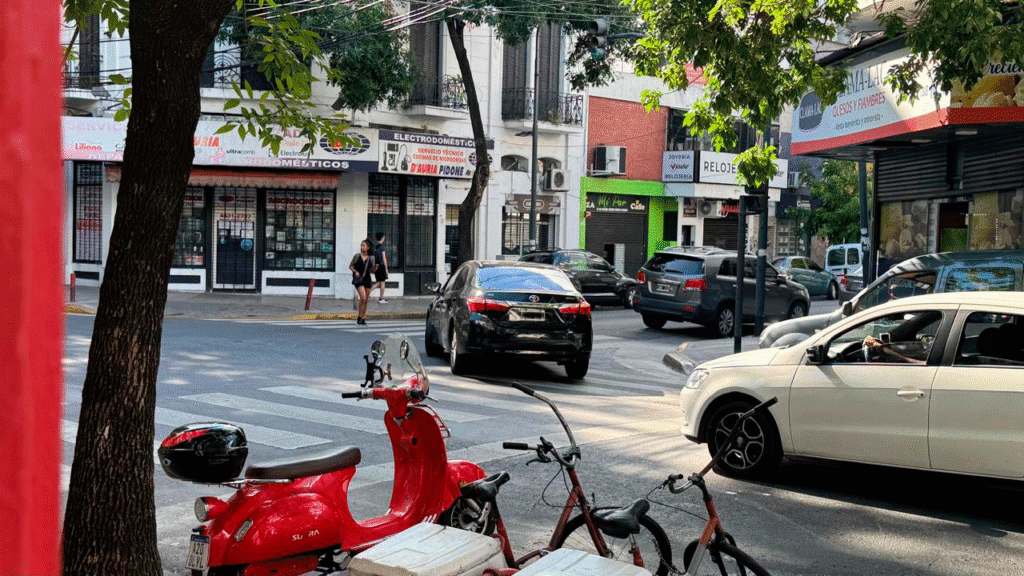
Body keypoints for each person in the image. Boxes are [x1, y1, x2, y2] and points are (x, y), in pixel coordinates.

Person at [349, 239, 375, 325]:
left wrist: (375, 268)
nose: (362, 247)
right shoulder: (357, 256)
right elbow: (350, 266)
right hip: (359, 279)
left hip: (367, 278)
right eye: (361, 245)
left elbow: (372, 269)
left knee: (366, 300)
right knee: (363, 297)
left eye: (363, 245)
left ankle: (363, 318)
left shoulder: (371, 258)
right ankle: (359, 316)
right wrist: (355, 271)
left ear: (368, 248)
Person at [372, 232, 389, 304]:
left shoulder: (375, 247)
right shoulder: (382, 247)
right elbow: (384, 258)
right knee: (382, 283)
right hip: (381, 267)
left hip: (376, 266)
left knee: (378, 282)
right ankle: (381, 298)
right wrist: (386, 268)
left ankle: (368, 292)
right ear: (382, 238)